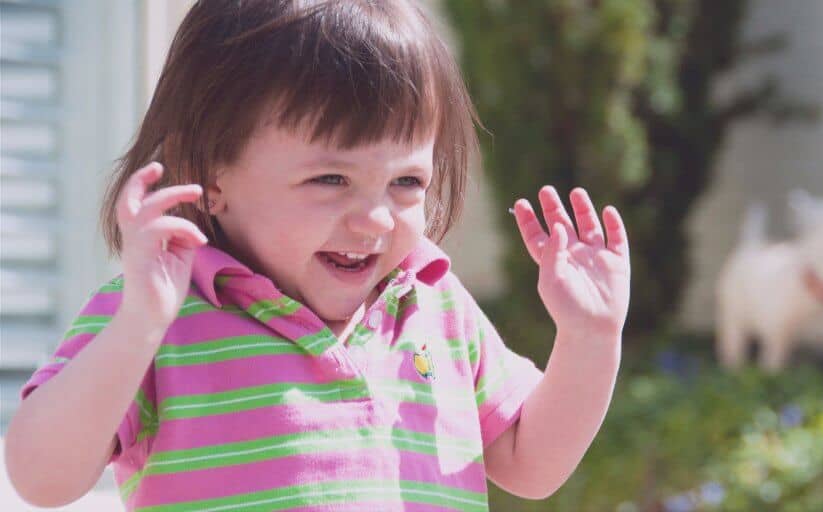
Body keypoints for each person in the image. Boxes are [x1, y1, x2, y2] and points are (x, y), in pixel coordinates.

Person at [3, 1, 631, 510]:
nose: (377, 219)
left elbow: (531, 463)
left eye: (407, 183)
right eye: (330, 180)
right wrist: (137, 327)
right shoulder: (159, 312)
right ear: (210, 176)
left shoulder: (434, 304)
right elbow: (41, 478)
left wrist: (589, 338)